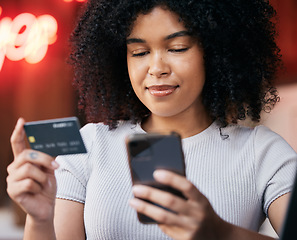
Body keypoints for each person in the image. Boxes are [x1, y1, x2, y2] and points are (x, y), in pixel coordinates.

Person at [6, 0, 297, 239]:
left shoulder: (263, 153)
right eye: (140, 52)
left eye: (177, 48)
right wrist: (40, 219)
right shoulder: (90, 145)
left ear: (216, 52)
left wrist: (219, 232)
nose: (156, 68)